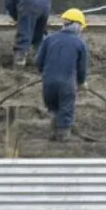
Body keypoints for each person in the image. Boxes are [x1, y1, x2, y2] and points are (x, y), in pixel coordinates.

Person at [36, 9, 90, 143]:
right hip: (66, 83)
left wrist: (45, 73)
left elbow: (38, 61)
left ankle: (54, 132)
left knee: (53, 107)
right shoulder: (79, 43)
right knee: (66, 107)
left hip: (48, 82)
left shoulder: (49, 39)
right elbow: (82, 68)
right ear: (77, 25)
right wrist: (81, 82)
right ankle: (63, 136)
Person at [2, 0, 51, 67]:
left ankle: (19, 62)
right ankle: (45, 61)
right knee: (38, 36)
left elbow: (9, 2)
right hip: (45, 9)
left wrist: (17, 18)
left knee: (24, 34)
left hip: (29, 7)